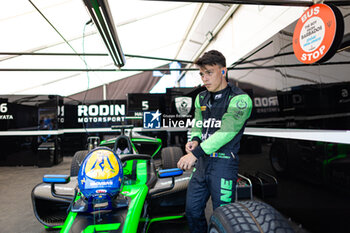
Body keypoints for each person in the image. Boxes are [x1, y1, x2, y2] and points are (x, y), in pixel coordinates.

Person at [177, 50, 253, 233]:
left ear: (224, 71)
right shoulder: (201, 97)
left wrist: (194, 154)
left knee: (224, 215)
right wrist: (194, 140)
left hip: (224, 163)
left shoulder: (240, 99)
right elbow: (197, 124)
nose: (204, 78)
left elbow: (226, 132)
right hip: (202, 163)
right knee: (192, 211)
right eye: (202, 74)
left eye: (209, 72)